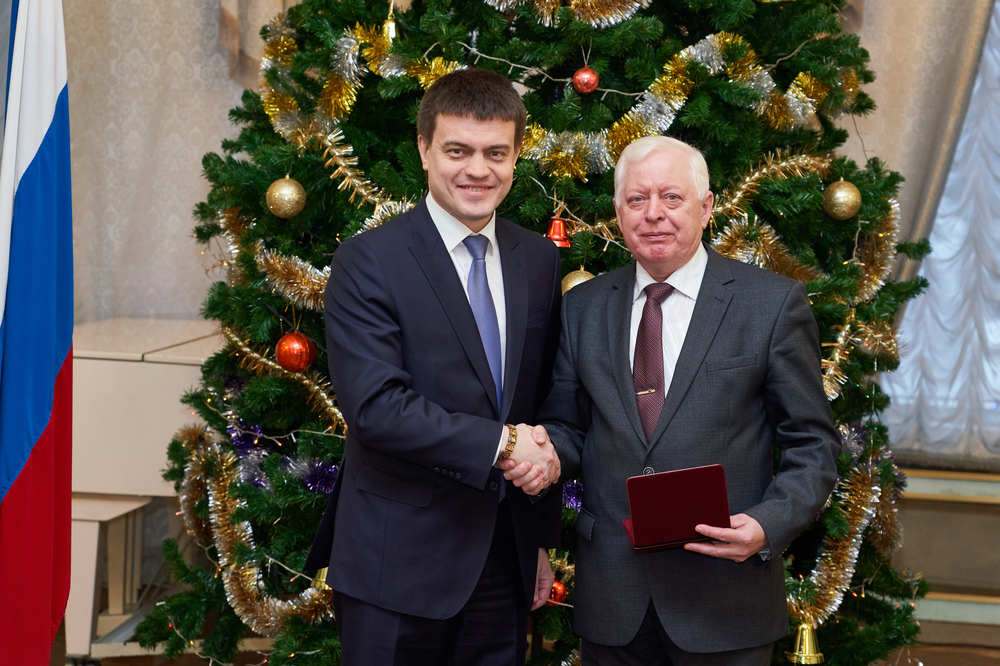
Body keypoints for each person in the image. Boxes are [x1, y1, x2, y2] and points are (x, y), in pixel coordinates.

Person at [538, 135, 840, 665]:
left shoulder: (770, 305)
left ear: (706, 207)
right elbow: (567, 429)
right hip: (614, 600)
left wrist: (767, 525)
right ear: (618, 213)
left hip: (726, 598)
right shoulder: (581, 307)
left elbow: (813, 445)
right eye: (637, 199)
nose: (653, 213)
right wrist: (530, 450)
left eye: (672, 197)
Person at [304, 68, 563, 666]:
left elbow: (538, 400)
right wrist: (504, 444)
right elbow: (377, 408)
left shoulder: (538, 259)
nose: (478, 170)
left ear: (516, 156)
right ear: (424, 150)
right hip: (395, 566)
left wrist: (537, 542)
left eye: (495, 153)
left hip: (503, 562)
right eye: (457, 151)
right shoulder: (369, 260)